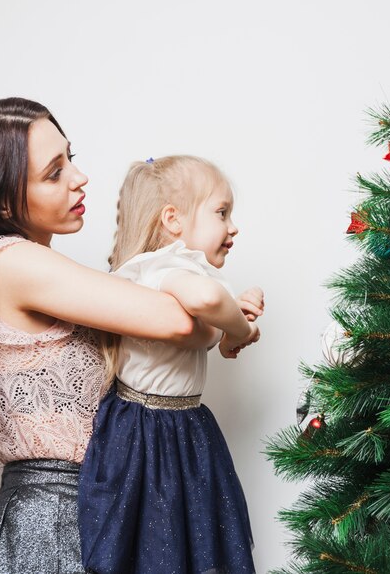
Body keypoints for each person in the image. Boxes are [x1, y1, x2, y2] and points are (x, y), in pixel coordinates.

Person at [0, 99, 216, 574]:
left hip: (92, 509)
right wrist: (226, 314)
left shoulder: (38, 269)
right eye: (54, 173)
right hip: (47, 525)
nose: (78, 177)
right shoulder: (13, 261)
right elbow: (179, 322)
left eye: (71, 157)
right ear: (4, 201)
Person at [78, 155, 264, 574]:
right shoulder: (164, 265)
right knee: (159, 541)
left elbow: (208, 319)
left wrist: (231, 324)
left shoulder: (186, 269)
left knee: (192, 538)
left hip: (182, 423)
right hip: (147, 428)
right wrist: (240, 331)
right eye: (221, 212)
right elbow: (209, 301)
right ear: (173, 221)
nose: (233, 226)